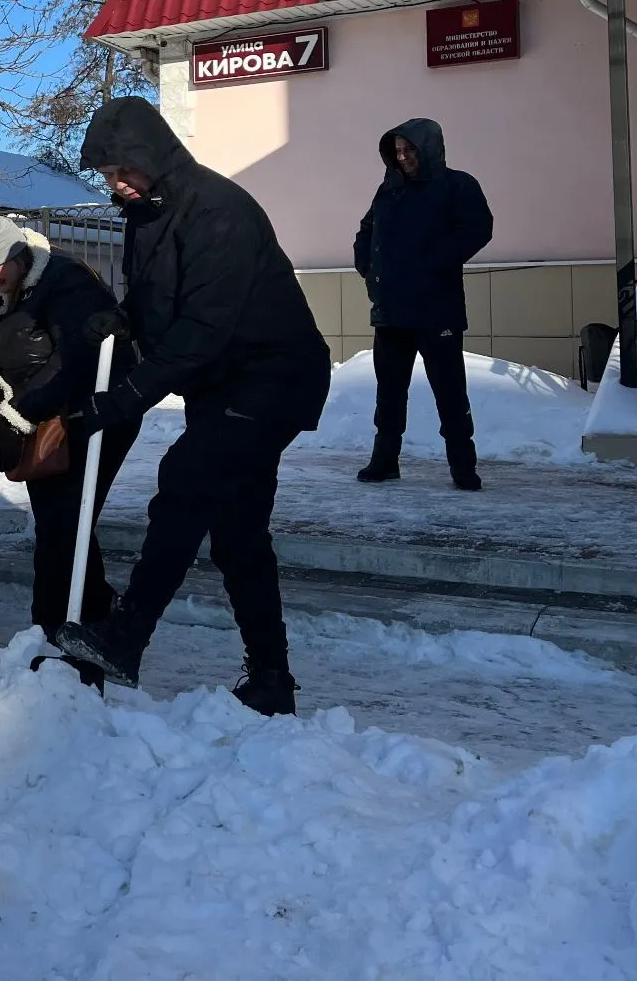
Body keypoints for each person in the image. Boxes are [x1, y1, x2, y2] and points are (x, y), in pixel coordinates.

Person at [54, 96, 331, 717]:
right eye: (108, 174)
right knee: (237, 532)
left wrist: (126, 398)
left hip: (270, 375)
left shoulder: (219, 211)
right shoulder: (147, 213)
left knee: (186, 480)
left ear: (152, 154)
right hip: (221, 383)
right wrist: (123, 318)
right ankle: (271, 679)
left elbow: (202, 328)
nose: (116, 184)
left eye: (123, 169)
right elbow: (160, 297)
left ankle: (126, 637)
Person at [0, 205, 142, 682]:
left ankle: (55, 632)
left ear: (16, 253)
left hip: (94, 415)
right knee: (62, 525)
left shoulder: (66, 281)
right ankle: (97, 615)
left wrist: (17, 417)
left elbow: (73, 362)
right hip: (40, 421)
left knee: (63, 525)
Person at [353, 119, 494, 491]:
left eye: (410, 150)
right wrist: (369, 270)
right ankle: (384, 461)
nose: (403, 157)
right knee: (389, 391)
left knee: (449, 391)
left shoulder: (457, 186)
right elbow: (366, 231)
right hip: (390, 311)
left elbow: (478, 228)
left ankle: (463, 466)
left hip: (436, 310)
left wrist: (433, 263)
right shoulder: (388, 190)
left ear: (429, 148)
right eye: (398, 151)